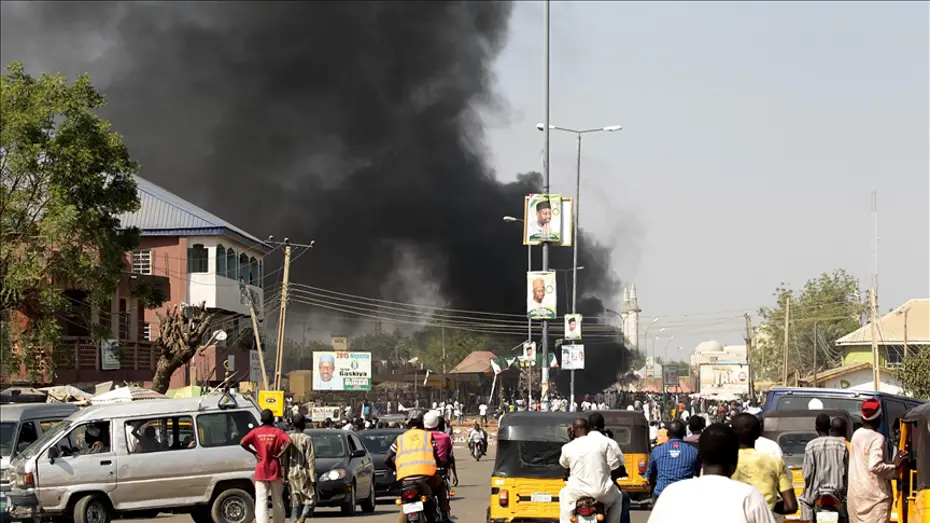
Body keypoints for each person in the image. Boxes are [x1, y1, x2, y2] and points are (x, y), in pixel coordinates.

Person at [648, 423, 777, 523]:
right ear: (735, 460)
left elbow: (650, 473)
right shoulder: (750, 497)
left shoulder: (670, 494)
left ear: (699, 458)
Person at [847, 398, 908, 523]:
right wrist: (895, 466)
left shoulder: (856, 435)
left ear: (862, 418)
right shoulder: (877, 438)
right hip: (875, 500)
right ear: (879, 418)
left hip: (856, 498)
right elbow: (874, 466)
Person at [730, 413, 798, 517]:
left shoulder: (724, 462)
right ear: (758, 433)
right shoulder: (774, 461)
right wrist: (766, 504)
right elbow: (791, 506)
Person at [559, 418, 623, 523]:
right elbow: (615, 468)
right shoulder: (604, 443)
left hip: (575, 493)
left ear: (573, 431)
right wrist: (613, 481)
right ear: (588, 430)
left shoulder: (567, 447)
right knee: (618, 497)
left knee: (563, 494)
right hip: (601, 492)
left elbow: (564, 465)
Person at [384, 413, 446, 523]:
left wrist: (397, 469)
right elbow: (436, 456)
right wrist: (441, 464)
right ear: (422, 424)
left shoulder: (400, 438)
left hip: (405, 480)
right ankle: (445, 515)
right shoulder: (427, 436)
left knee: (404, 506)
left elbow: (387, 459)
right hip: (425, 477)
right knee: (441, 486)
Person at [241, 409, 292, 523]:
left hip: (261, 469)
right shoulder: (277, 432)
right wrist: (280, 454)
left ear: (261, 419)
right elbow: (289, 441)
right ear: (273, 419)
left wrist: (254, 452)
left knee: (261, 500)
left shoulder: (255, 432)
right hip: (274, 468)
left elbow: (242, 442)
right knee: (277, 499)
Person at [800, 414, 848, 523]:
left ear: (816, 427)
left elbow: (806, 474)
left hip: (815, 494)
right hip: (839, 494)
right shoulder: (841, 445)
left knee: (804, 503)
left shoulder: (810, 446)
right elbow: (847, 471)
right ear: (829, 427)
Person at [589, 413, 631, 523]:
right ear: (603, 425)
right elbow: (619, 469)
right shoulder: (610, 443)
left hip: (579, 490)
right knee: (622, 498)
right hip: (603, 490)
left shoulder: (577, 443)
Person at [646, 420, 700, 504]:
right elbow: (699, 472)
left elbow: (649, 474)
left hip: (661, 494)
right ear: (684, 434)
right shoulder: (693, 451)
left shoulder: (657, 451)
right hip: (684, 496)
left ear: (668, 434)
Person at [286, 417, 317, 523]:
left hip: (291, 472)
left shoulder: (289, 437)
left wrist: (286, 473)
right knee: (310, 498)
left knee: (295, 500)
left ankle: (294, 520)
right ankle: (301, 519)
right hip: (303, 472)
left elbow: (285, 458)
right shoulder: (306, 438)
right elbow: (310, 459)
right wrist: (313, 478)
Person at [425, 411, 456, 520]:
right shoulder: (445, 437)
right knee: (441, 488)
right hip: (439, 471)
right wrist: (455, 475)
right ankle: (444, 513)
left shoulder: (421, 437)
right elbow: (450, 457)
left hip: (422, 472)